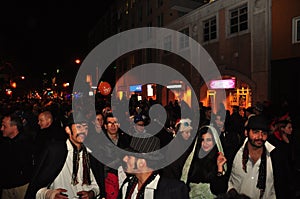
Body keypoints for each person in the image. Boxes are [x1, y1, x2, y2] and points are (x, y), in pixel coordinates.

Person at [24, 113, 106, 199]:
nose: (83, 131)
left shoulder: (91, 154)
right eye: (79, 127)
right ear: (68, 130)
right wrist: (51, 194)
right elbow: (37, 188)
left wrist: (92, 193)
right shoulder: (56, 152)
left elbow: (97, 185)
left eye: (86, 127)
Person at [228, 115, 290, 199]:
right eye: (255, 132)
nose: (260, 137)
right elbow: (226, 179)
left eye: (264, 133)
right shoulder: (234, 152)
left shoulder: (275, 156)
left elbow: (283, 186)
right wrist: (231, 191)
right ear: (246, 132)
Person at [117, 133, 190, 199]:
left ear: (142, 162)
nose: (125, 159)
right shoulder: (127, 185)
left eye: (129, 157)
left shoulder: (173, 190)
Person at [184, 125, 228, 199]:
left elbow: (220, 191)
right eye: (202, 140)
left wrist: (220, 168)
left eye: (208, 140)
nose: (205, 143)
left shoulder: (219, 160)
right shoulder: (192, 159)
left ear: (215, 141)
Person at [0, 112, 35, 199]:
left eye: (5, 126)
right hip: (6, 186)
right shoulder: (4, 142)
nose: (1, 128)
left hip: (20, 187)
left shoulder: (26, 144)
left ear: (14, 127)